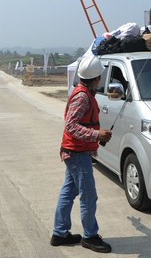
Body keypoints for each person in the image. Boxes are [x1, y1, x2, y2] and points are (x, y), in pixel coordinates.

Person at [51, 56, 113, 253]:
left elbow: (80, 124)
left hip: (75, 151)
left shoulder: (85, 93)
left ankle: (59, 234)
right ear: (96, 78)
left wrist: (96, 137)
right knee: (88, 196)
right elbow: (71, 125)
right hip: (77, 153)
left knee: (68, 193)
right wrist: (97, 134)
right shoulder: (83, 97)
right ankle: (90, 236)